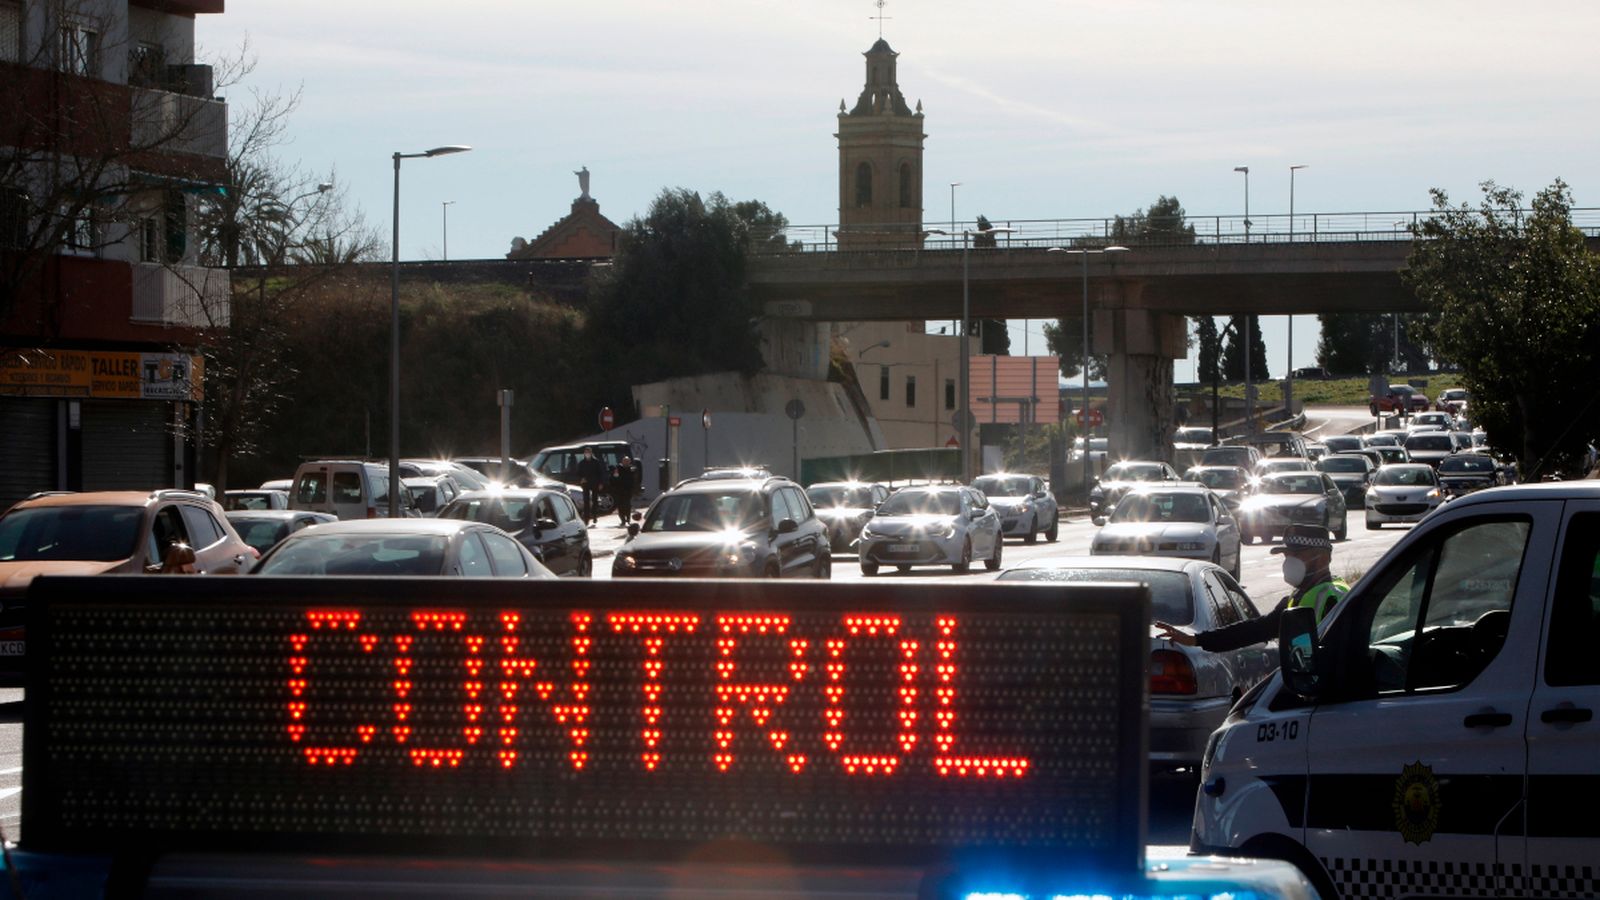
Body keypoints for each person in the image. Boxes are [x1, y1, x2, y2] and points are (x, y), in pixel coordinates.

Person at [1154, 523, 1349, 652]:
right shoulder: (1297, 597)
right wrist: (1196, 640)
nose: (1289, 562)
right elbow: (1255, 630)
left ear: (1322, 558)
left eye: (1297, 556)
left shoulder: (1332, 598)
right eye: (1286, 556)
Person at [575, 447, 606, 526]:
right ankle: (586, 519)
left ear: (591, 453)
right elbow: (578, 473)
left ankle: (595, 515)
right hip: (585, 484)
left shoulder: (596, 462)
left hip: (595, 483)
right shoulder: (582, 463)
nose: (587, 454)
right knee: (586, 501)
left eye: (588, 452)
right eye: (586, 452)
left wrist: (601, 483)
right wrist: (581, 479)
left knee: (595, 500)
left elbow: (600, 473)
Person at [609, 455, 638, 526]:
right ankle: (623, 520)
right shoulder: (618, 469)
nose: (626, 463)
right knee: (620, 506)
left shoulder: (632, 469)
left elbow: (635, 479)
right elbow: (613, 479)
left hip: (628, 490)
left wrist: (635, 488)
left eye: (627, 461)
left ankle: (628, 519)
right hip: (619, 490)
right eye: (625, 461)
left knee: (627, 505)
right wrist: (615, 476)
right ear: (622, 462)